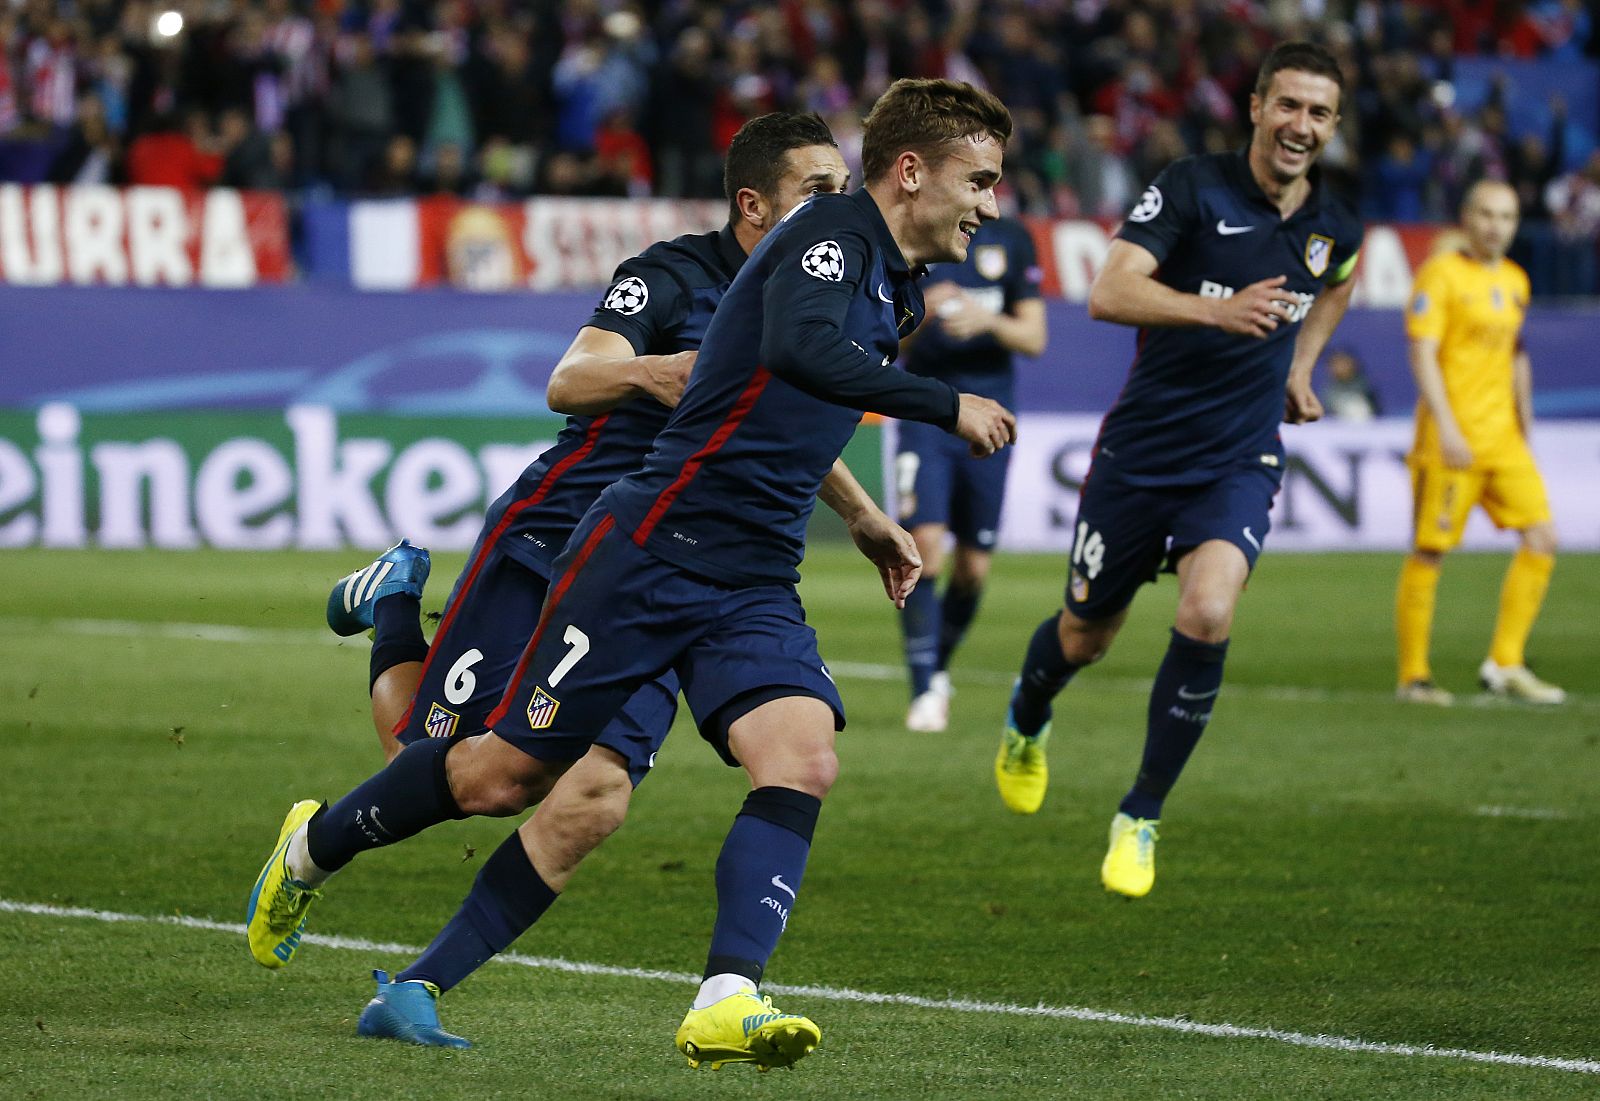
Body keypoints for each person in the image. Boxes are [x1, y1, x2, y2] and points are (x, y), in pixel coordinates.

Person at [247, 79, 1016, 1067]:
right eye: (981, 181)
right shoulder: (829, 235)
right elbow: (794, 348)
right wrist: (939, 403)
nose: (992, 205)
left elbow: (779, 398)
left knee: (798, 756)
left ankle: (725, 997)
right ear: (910, 172)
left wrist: (865, 519)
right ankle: (313, 849)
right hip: (645, 554)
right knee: (492, 774)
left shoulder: (889, 282)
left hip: (750, 577)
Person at [994, 41, 1362, 900]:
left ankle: (1142, 812)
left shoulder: (1335, 223)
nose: (1300, 126)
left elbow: (1336, 281)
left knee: (1207, 609)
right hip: (1142, 454)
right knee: (1086, 634)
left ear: (1333, 125)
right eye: (1288, 106)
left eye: (1318, 113)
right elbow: (1107, 292)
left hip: (1238, 457)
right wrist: (1216, 310)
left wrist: (1302, 367)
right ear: (1257, 107)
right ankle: (1027, 713)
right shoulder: (1194, 187)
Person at [1395, 180, 1565, 706]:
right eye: (1487, 214)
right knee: (1430, 551)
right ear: (1466, 218)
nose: (1497, 226)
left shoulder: (1516, 280)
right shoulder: (1440, 275)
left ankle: (1506, 663)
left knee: (1542, 538)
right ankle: (1414, 677)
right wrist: (1445, 425)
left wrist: (1526, 419)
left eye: (1508, 217)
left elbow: (1516, 353)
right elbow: (1423, 353)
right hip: (1450, 441)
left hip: (1504, 441)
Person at [895, 216, 1046, 731]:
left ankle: (937, 668)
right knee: (926, 546)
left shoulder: (1013, 239)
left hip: (991, 419)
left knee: (973, 569)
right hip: (926, 414)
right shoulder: (915, 238)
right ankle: (923, 690)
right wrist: (919, 318)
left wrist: (987, 321)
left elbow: (1034, 337)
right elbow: (885, 342)